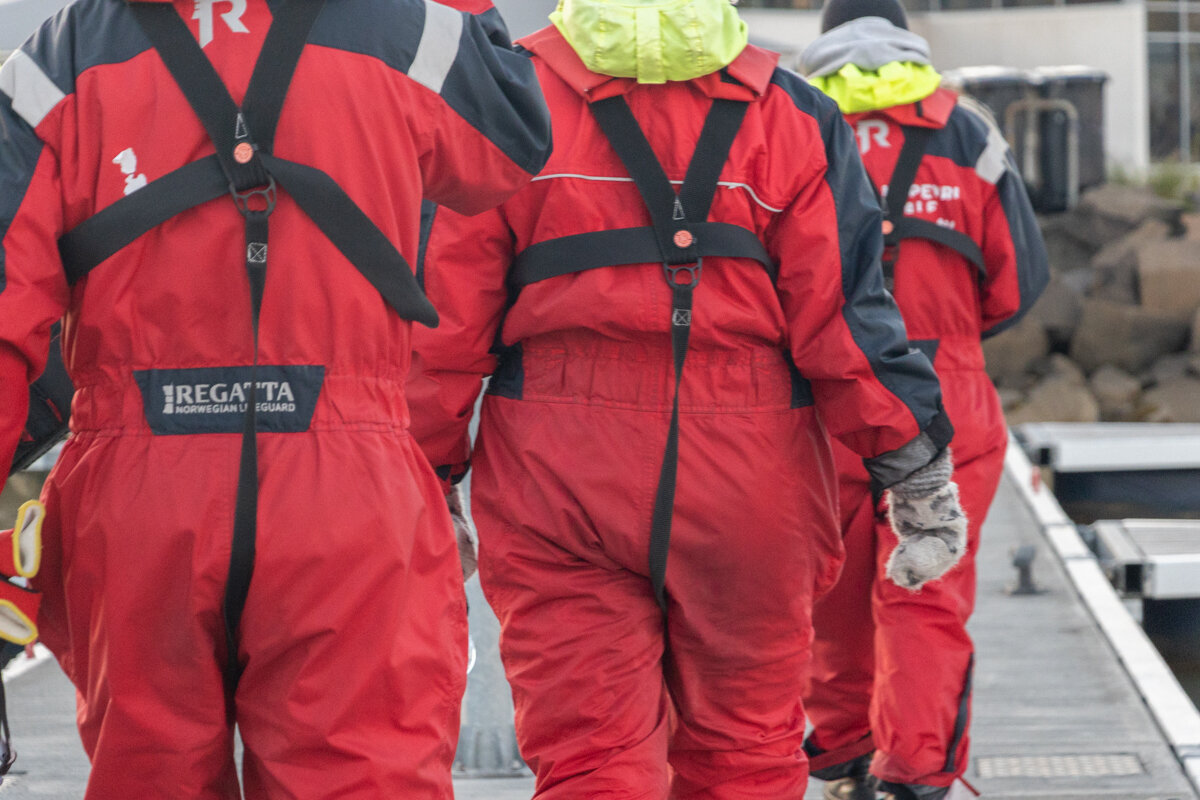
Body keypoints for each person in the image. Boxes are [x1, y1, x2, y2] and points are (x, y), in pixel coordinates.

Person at [407, 0, 971, 796]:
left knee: (590, 753)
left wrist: (423, 481)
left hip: (557, 469)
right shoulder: (795, 113)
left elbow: (441, 323)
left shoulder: (509, 95)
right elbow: (845, 321)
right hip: (753, 472)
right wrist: (914, 468)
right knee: (745, 749)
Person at [0, 0, 550, 795]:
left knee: (147, 776)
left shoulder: (59, 59)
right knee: (360, 774)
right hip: (347, 484)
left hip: (138, 494)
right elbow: (510, 135)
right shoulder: (400, 28)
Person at [797, 3, 1050, 798]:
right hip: (948, 392)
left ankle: (842, 765)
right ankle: (915, 777)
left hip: (827, 398)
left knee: (829, 599)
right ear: (909, 38)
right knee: (925, 598)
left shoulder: (796, 118)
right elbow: (1019, 281)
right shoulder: (968, 134)